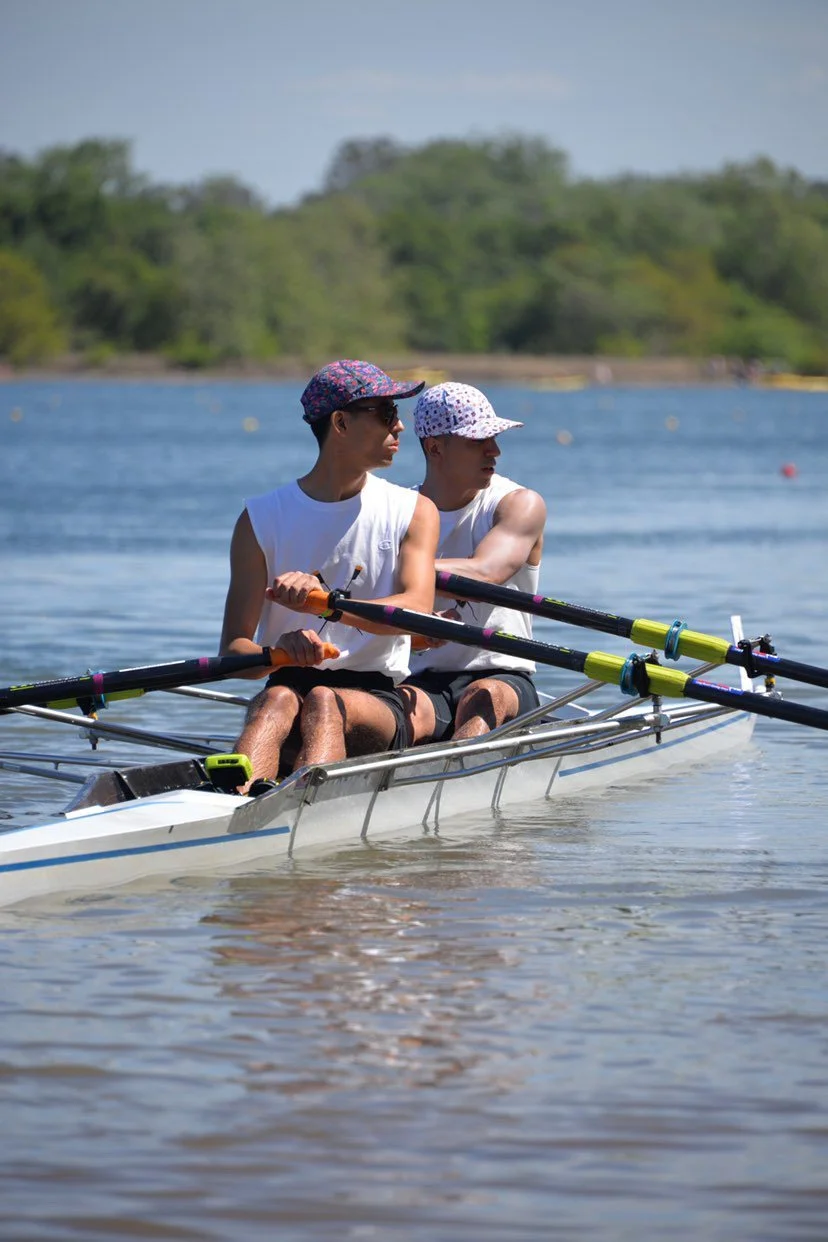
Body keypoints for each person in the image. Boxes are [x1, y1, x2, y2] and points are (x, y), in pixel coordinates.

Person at [219, 360, 439, 791]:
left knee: (322, 699)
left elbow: (418, 608)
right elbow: (233, 653)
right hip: (286, 688)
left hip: (376, 697)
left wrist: (328, 606)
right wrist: (278, 650)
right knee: (278, 696)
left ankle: (297, 807)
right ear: (340, 423)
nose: (400, 428)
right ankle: (235, 800)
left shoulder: (413, 510)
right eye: (386, 414)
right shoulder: (260, 519)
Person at [399, 382, 546, 745]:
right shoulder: (398, 511)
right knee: (390, 711)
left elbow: (487, 572)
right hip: (423, 679)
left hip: (504, 677)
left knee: (483, 697)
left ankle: (456, 772)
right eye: (477, 441)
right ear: (435, 448)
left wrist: (395, 568)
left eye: (493, 437)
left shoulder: (517, 504)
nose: (494, 450)